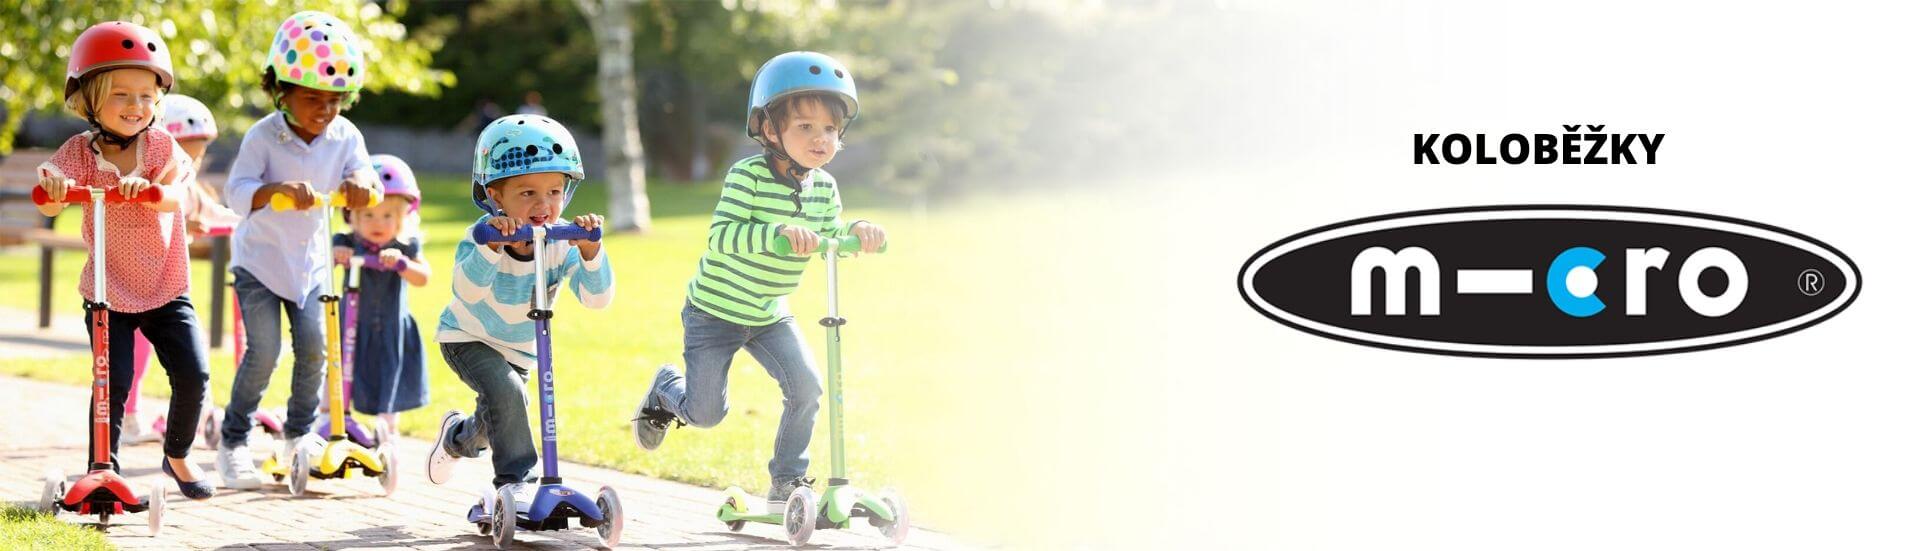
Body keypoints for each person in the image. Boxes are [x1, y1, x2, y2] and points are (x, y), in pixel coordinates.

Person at [630, 52, 887, 506]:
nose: (821, 138)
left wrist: (857, 233)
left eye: (830, 128)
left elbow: (829, 238)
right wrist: (776, 234)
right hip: (714, 312)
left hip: (769, 314)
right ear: (769, 129)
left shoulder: (825, 187)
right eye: (805, 126)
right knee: (706, 414)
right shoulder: (746, 176)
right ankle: (666, 389)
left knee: (807, 389)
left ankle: (788, 481)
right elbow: (721, 237)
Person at [36, 20, 215, 500]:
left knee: (193, 374)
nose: (136, 106)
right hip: (107, 291)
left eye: (146, 96)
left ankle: (177, 453)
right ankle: (102, 470)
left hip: (166, 286)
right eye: (121, 95)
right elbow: (49, 201)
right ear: (89, 100)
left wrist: (151, 190)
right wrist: (55, 187)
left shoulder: (160, 146)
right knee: (110, 385)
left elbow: (177, 194)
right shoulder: (78, 152)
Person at [217, 10, 381, 490]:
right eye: (312, 98)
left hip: (311, 267)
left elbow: (366, 176)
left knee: (314, 352)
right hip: (260, 264)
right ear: (280, 90)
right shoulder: (263, 136)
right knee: (265, 351)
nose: (325, 110)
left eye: (334, 100)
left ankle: (297, 437)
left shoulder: (346, 136)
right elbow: (236, 192)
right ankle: (233, 441)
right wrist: (275, 190)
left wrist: (361, 183)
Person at [425, 115, 614, 492]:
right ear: (496, 196)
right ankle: (517, 481)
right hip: (468, 337)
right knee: (509, 395)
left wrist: (591, 252)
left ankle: (457, 438)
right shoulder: (482, 236)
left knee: (498, 414)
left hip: (519, 350)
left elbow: (597, 300)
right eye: (528, 193)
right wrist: (492, 248)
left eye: (554, 191)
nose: (544, 204)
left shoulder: (562, 240)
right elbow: (467, 292)